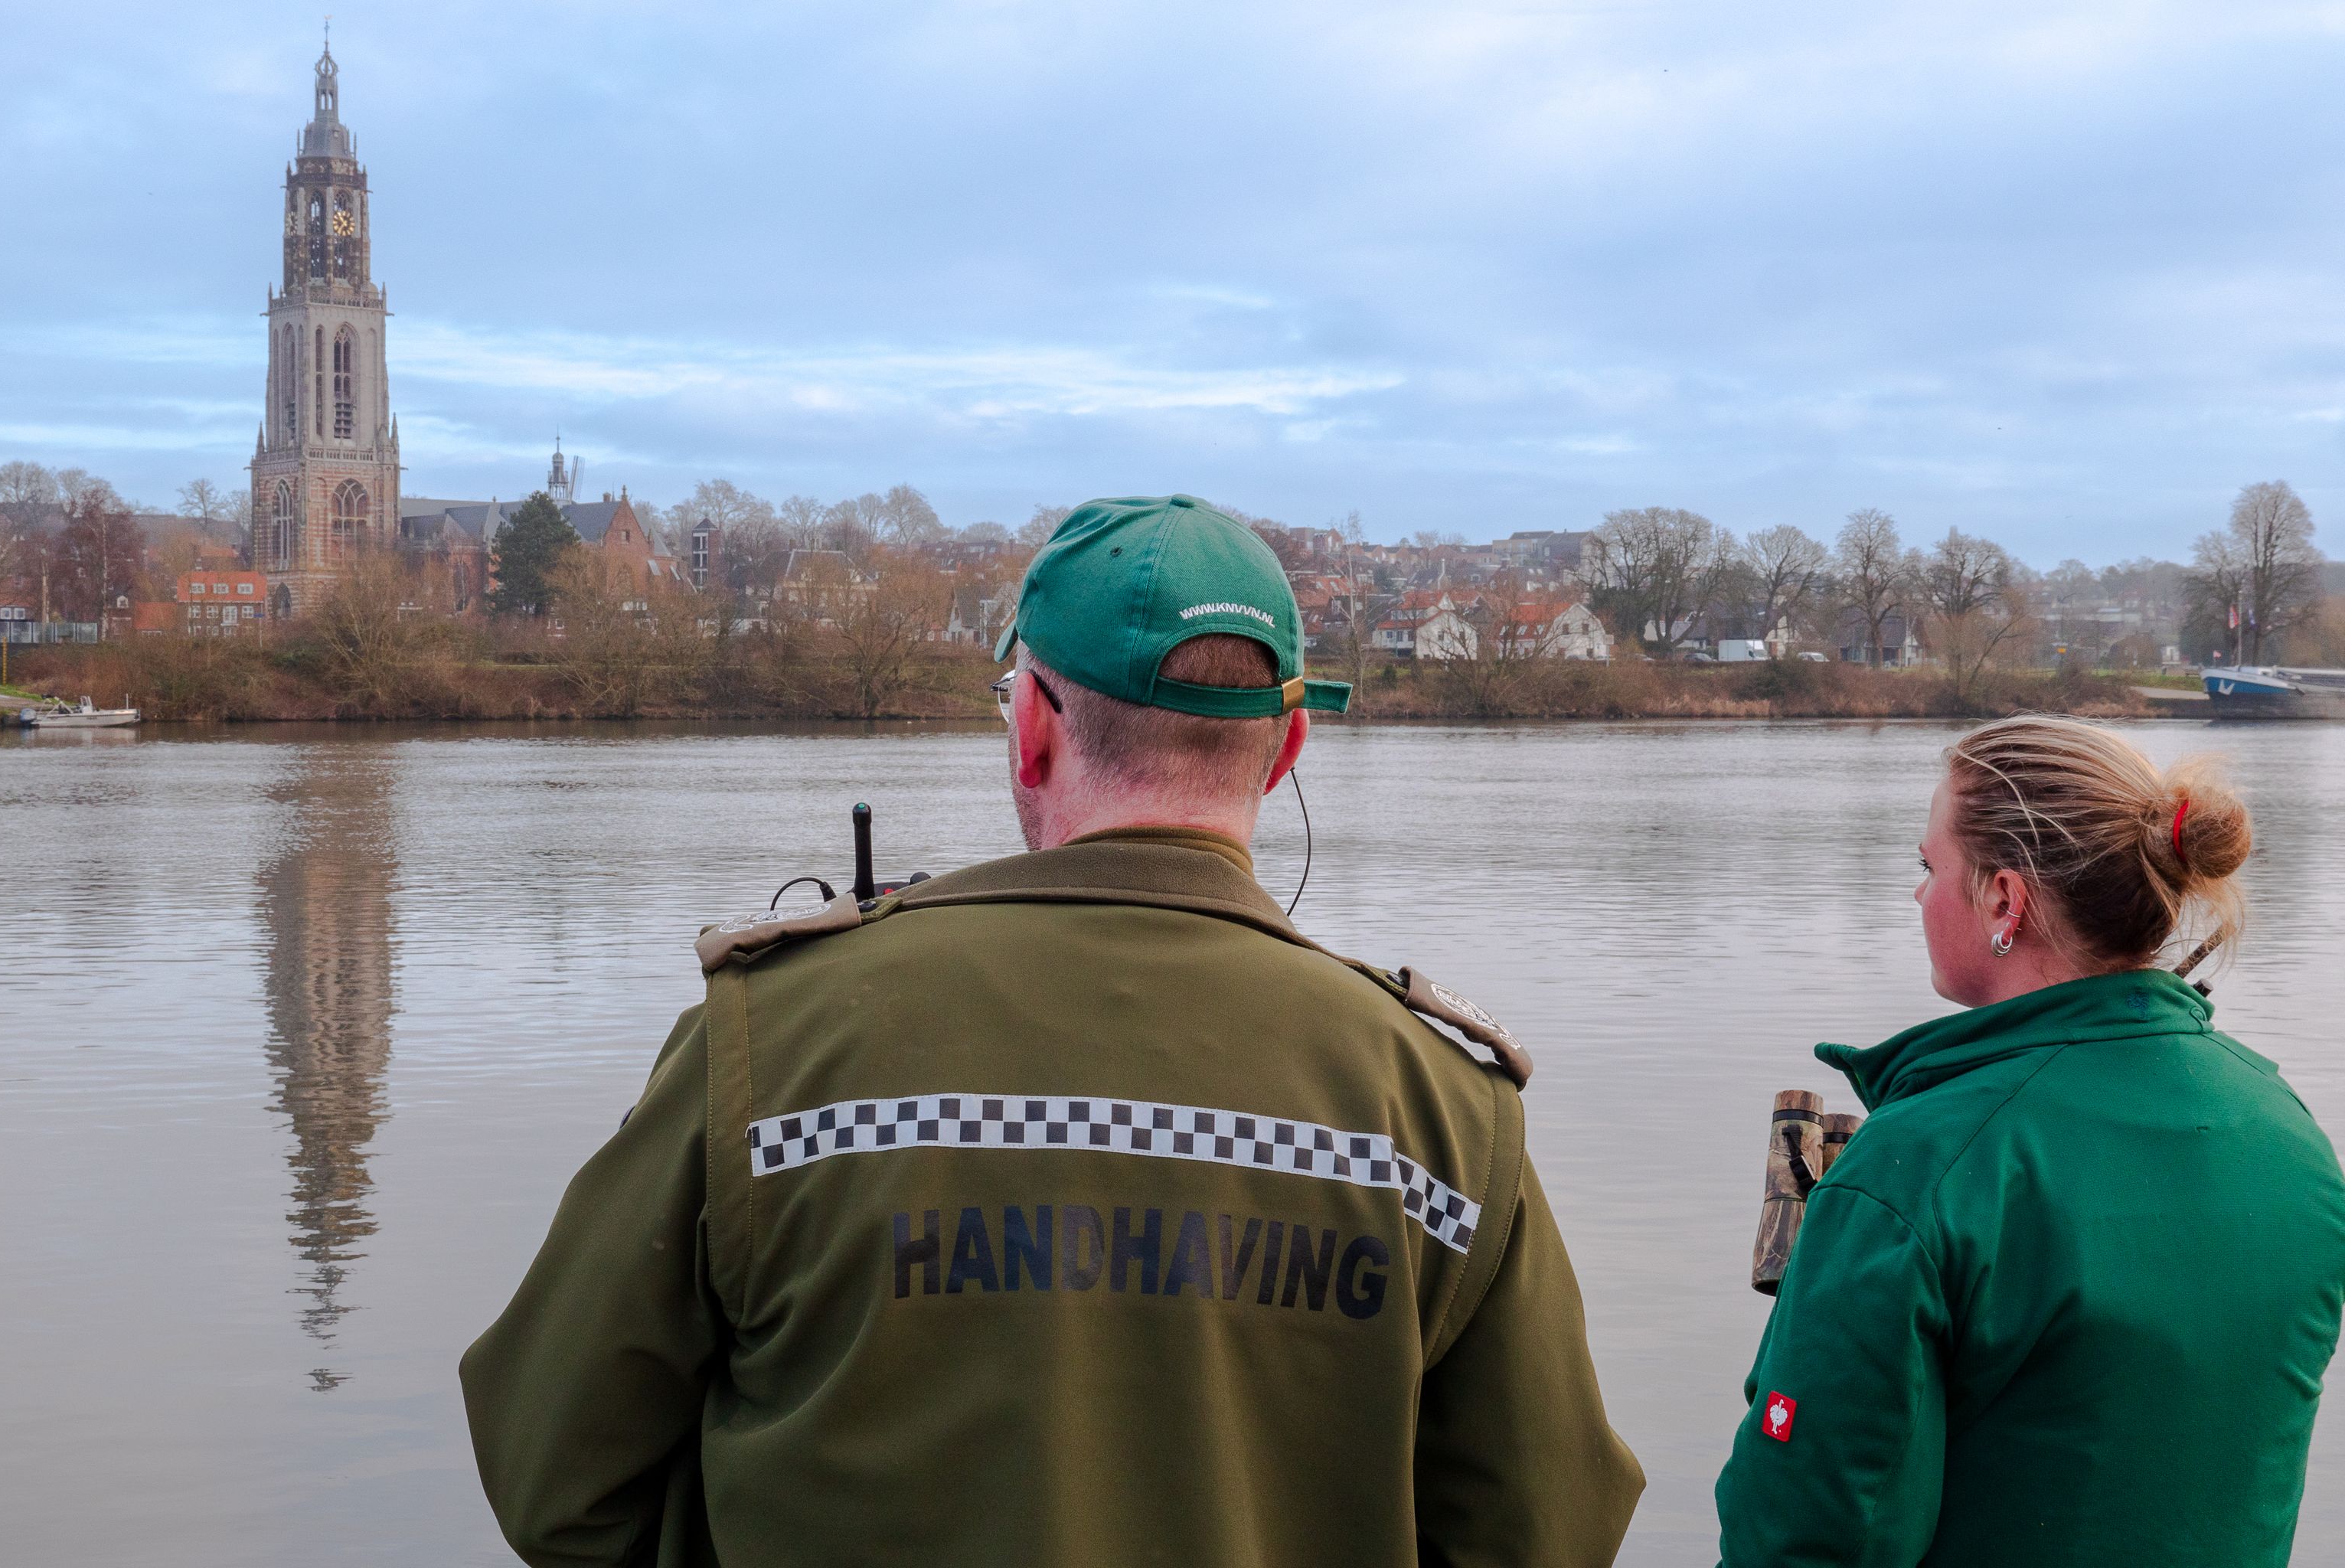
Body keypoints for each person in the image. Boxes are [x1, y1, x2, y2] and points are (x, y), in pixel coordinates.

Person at [462, 494, 1644, 1567]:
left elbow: (559, 1479)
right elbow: (1542, 1534)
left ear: (1029, 725)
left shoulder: (769, 1050)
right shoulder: (1440, 1114)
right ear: (1285, 751)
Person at [1715, 715, 2345, 1566]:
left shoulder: (1925, 1164)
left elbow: (1810, 1537)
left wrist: (1843, 1263)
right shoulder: (2286, 1132)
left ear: (2005, 900)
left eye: (1929, 867)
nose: (1918, 896)